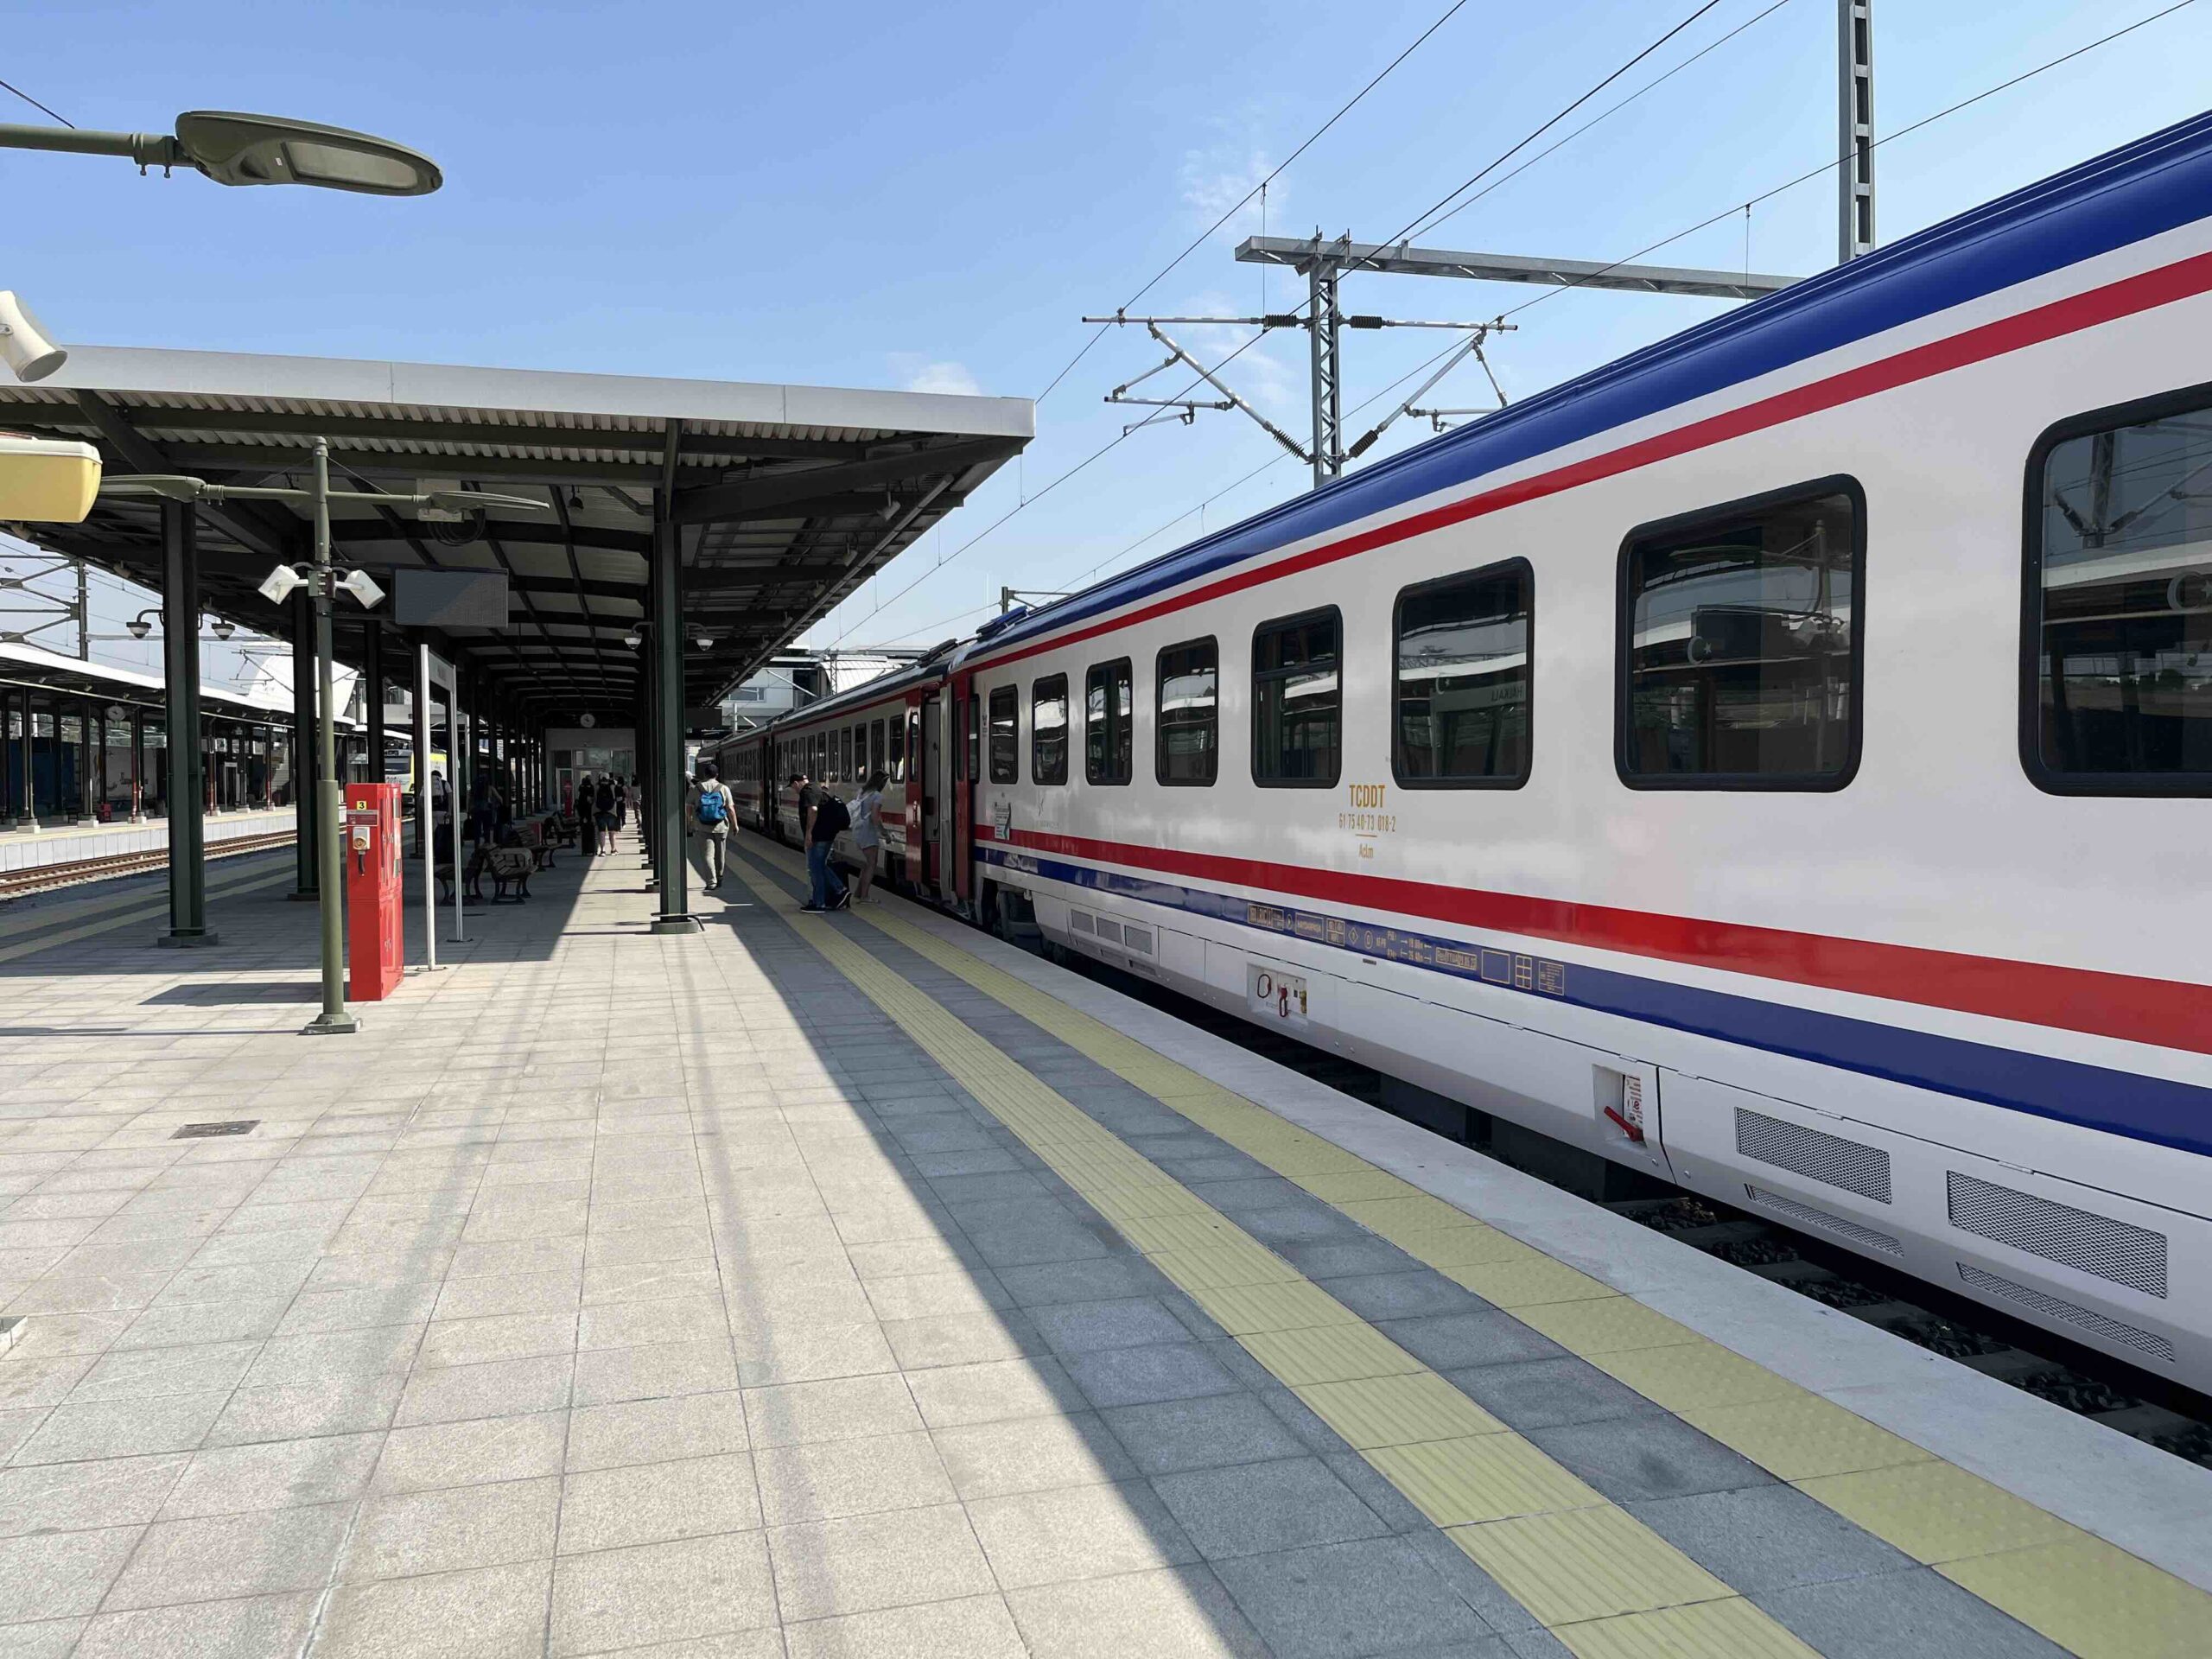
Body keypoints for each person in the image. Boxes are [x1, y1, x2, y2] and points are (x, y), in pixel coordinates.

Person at [792, 770, 848, 912]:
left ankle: (819, 903)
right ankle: (840, 890)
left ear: (797, 783)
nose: (794, 790)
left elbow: (813, 809)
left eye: (793, 787)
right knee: (820, 866)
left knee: (815, 868)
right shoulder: (816, 788)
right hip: (827, 834)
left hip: (819, 836)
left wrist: (809, 833)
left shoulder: (807, 791)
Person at [688, 760, 734, 891]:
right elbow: (730, 809)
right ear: (717, 775)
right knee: (720, 854)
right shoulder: (724, 788)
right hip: (721, 826)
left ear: (704, 774)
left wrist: (690, 821)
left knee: (707, 855)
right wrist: (735, 825)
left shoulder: (695, 788)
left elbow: (689, 806)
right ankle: (719, 877)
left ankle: (711, 882)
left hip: (702, 826)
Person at [849, 769, 886, 905]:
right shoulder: (877, 796)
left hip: (857, 829)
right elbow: (875, 817)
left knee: (865, 864)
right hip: (868, 831)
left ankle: (858, 893)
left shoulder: (862, 792)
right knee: (871, 864)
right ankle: (865, 896)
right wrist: (884, 832)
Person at [594, 773, 619, 855]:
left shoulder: (596, 787)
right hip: (611, 811)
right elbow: (618, 798)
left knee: (601, 831)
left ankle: (602, 850)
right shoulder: (613, 786)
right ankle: (613, 849)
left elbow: (594, 799)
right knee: (612, 831)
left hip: (599, 811)